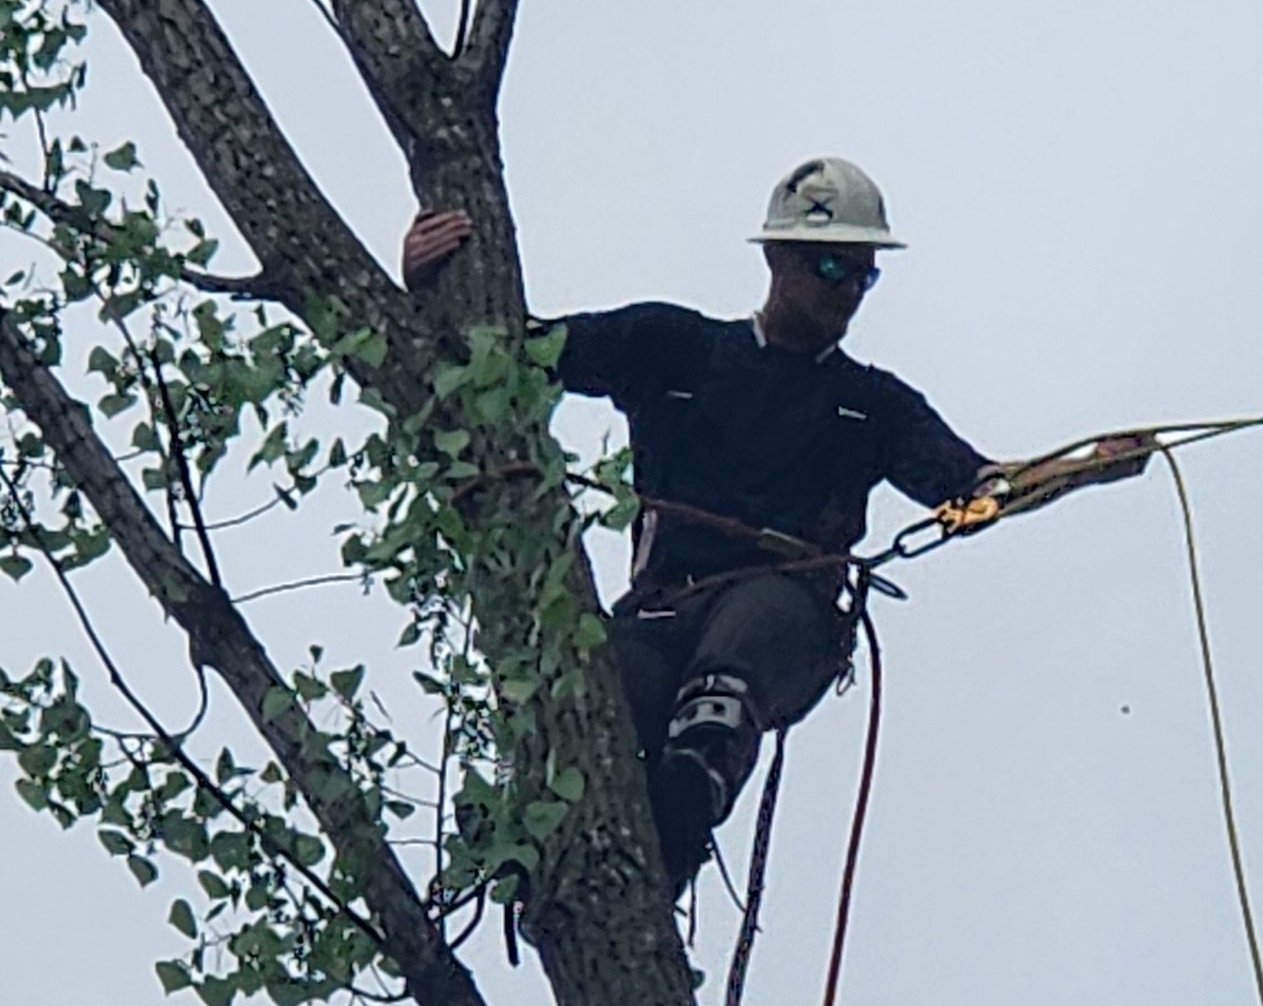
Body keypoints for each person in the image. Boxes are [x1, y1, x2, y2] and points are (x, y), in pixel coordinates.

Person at [404, 157, 1144, 890]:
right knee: (597, 693)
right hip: (660, 613)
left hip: (781, 610)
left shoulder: (870, 406)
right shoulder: (673, 350)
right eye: (832, 268)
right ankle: (530, 845)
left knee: (735, 656)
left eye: (864, 274)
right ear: (777, 258)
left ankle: (692, 792)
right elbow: (507, 357)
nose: (850, 290)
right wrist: (428, 284)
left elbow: (977, 489)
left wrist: (1079, 469)